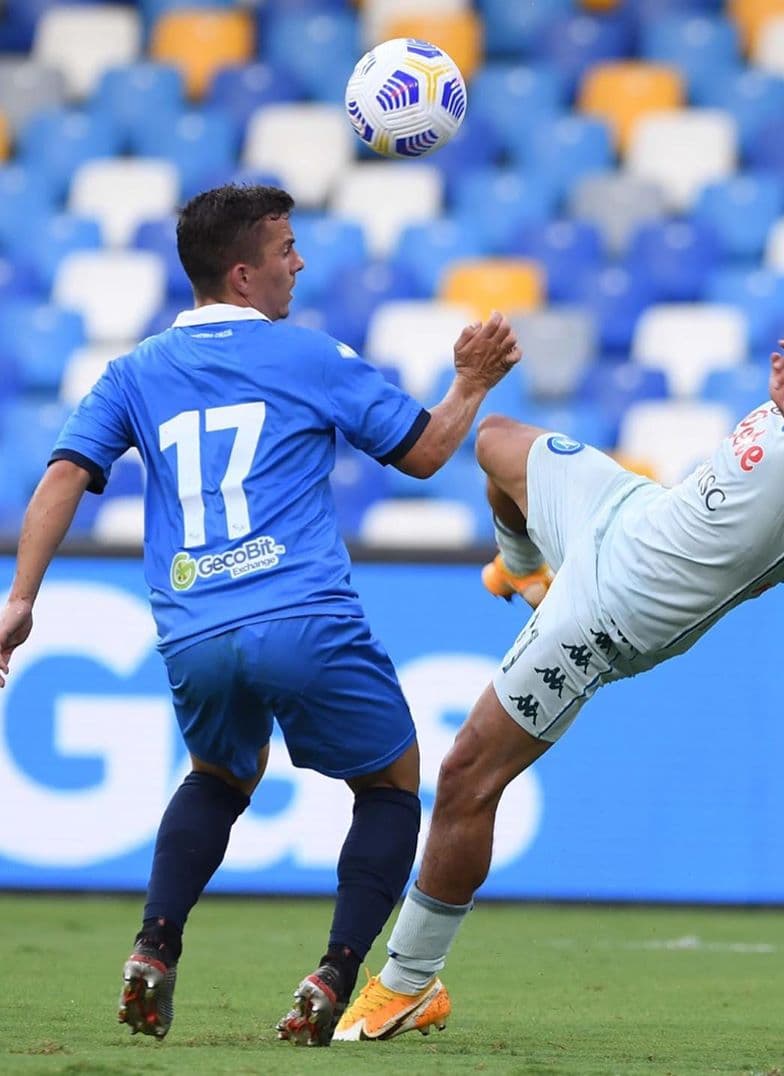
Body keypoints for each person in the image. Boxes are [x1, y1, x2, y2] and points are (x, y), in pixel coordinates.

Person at [328, 258, 784, 1042]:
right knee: (499, 442)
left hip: (613, 612)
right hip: (626, 512)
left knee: (467, 775)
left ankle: (408, 982)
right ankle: (525, 570)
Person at [0, 184, 521, 1046]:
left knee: (217, 775)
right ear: (243, 274)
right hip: (303, 614)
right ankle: (337, 971)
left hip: (194, 626)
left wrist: (20, 600)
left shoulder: (132, 371)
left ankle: (155, 943)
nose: (299, 262)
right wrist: (469, 384)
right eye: (285, 248)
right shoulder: (308, 355)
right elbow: (426, 452)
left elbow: (62, 475)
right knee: (391, 787)